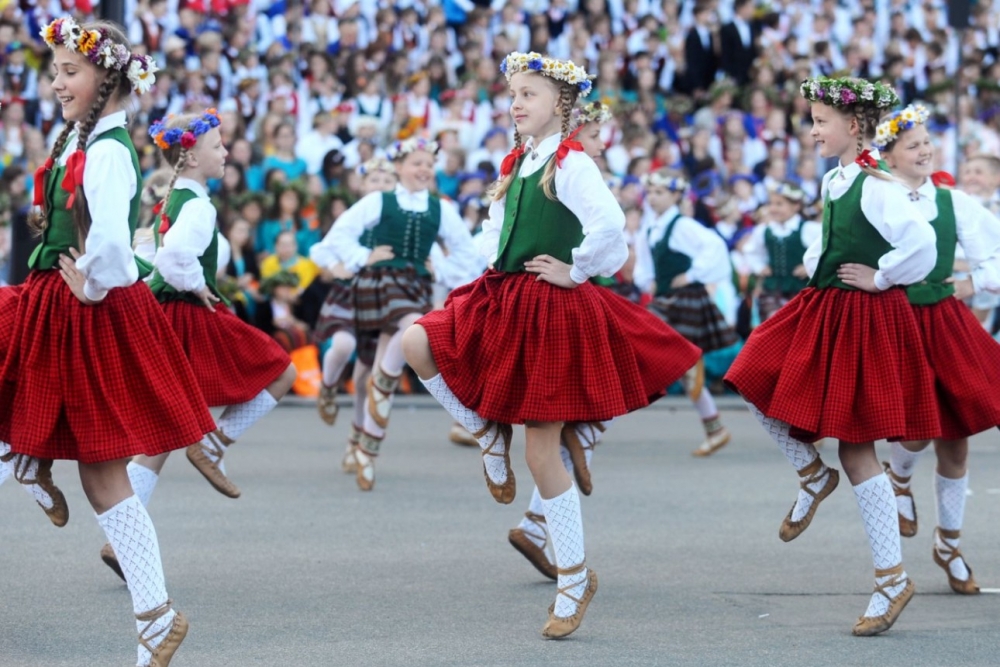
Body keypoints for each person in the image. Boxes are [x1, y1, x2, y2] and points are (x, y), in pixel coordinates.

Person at [402, 51, 701, 638]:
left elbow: (611, 230)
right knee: (418, 342)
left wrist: (576, 269)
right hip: (505, 293)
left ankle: (573, 578)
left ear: (561, 103)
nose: (515, 103)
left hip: (548, 307)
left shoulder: (571, 162)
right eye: (513, 93)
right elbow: (495, 234)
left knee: (541, 454)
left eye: (528, 94)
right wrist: (475, 272)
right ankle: (486, 431)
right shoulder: (520, 159)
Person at [0, 17, 213, 665]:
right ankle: (155, 615)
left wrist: (92, 283)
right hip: (58, 298)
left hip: (82, 306)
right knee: (98, 470)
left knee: (102, 472)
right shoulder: (83, 136)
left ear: (109, 79)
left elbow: (116, 243)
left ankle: (156, 615)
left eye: (71, 71)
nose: (58, 83)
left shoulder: (110, 149)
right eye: (56, 71)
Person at [725, 76, 939, 636]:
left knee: (856, 447)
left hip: (861, 315)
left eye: (821, 122)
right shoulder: (837, 179)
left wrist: (881, 277)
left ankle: (891, 578)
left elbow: (922, 244)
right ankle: (811, 472)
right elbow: (830, 241)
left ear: (855, 125)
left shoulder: (878, 184)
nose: (814, 131)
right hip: (827, 305)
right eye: (814, 121)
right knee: (751, 374)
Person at [99, 110, 296, 552]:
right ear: (189, 157)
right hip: (189, 314)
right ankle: (214, 443)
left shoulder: (176, 197)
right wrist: (198, 284)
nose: (225, 153)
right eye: (217, 146)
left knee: (163, 433)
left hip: (166, 313)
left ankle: (121, 543)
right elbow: (173, 258)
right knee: (281, 370)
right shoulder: (199, 206)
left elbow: (160, 255)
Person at [873, 105, 1000, 596]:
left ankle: (949, 543)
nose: (925, 150)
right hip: (895, 321)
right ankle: (898, 476)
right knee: (918, 426)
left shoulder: (952, 201)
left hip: (944, 321)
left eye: (927, 142)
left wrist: (974, 281)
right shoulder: (875, 198)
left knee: (956, 437)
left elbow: (995, 253)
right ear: (888, 156)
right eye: (913, 145)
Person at [314, 136, 478, 491]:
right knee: (408, 329)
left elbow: (467, 251)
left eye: (428, 164)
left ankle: (367, 449)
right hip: (379, 284)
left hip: (414, 286)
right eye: (416, 163)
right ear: (400, 166)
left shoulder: (440, 209)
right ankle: (381, 384)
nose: (423, 169)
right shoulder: (380, 201)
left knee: (388, 353)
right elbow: (339, 235)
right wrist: (363, 256)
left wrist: (441, 269)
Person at [634, 170, 737, 456]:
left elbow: (714, 246)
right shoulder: (649, 229)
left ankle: (594, 424)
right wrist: (647, 281)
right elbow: (644, 266)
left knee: (644, 348)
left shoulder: (682, 226)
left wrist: (692, 274)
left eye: (659, 192)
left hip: (684, 300)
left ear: (676, 195)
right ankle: (715, 427)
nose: (653, 198)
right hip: (667, 299)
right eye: (650, 192)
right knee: (680, 364)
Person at [311, 157, 395, 473]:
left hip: (382, 299)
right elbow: (322, 249)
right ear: (361, 185)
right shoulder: (353, 216)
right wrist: (335, 266)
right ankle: (328, 386)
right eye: (375, 180)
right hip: (349, 293)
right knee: (343, 345)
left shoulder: (398, 218)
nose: (381, 187)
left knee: (365, 380)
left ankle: (356, 441)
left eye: (387, 181)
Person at [741, 181, 822, 321]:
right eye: (771, 204)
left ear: (796, 206)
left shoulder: (808, 229)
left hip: (801, 289)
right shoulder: (764, 230)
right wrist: (760, 266)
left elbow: (827, 250)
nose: (773, 209)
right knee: (773, 321)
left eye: (779, 204)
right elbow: (750, 251)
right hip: (772, 289)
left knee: (800, 324)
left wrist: (811, 266)